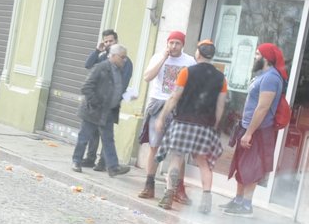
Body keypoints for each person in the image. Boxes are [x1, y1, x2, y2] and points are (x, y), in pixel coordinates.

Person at [150, 40, 228, 213]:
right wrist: (214, 123)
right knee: (203, 163)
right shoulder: (221, 78)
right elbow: (220, 105)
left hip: (183, 122)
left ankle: (168, 196)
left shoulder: (187, 72)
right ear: (212, 56)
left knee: (176, 157)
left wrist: (161, 117)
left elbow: (174, 97)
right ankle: (206, 203)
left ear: (198, 54)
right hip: (205, 125)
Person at [224, 43, 288, 217]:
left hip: (259, 130)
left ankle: (246, 205)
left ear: (266, 58)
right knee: (241, 165)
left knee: (252, 168)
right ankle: (238, 200)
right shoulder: (262, 75)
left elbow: (263, 107)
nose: (254, 56)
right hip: (248, 127)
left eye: (258, 54)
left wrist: (249, 132)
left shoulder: (271, 78)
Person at [137, 30, 195, 200]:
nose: (173, 46)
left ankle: (178, 189)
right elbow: (147, 77)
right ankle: (149, 185)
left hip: (178, 106)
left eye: (177, 43)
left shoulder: (189, 61)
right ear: (167, 43)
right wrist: (163, 59)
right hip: (158, 104)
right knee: (154, 147)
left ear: (182, 45)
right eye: (171, 42)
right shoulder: (158, 57)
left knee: (178, 151)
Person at [71, 43, 129, 177]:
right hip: (94, 110)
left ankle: (113, 167)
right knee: (84, 137)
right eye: (122, 57)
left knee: (108, 140)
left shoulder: (118, 70)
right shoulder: (101, 67)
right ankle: (76, 161)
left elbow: (114, 89)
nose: (124, 60)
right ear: (113, 56)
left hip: (108, 111)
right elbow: (86, 87)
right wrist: (96, 103)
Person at [81, 29, 133, 173]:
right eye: (106, 41)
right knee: (93, 131)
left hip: (110, 103)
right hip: (97, 102)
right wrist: (97, 51)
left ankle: (103, 162)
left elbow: (122, 82)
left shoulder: (125, 61)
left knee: (106, 133)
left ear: (116, 40)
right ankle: (90, 158)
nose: (108, 43)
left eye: (111, 41)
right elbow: (88, 65)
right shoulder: (103, 57)